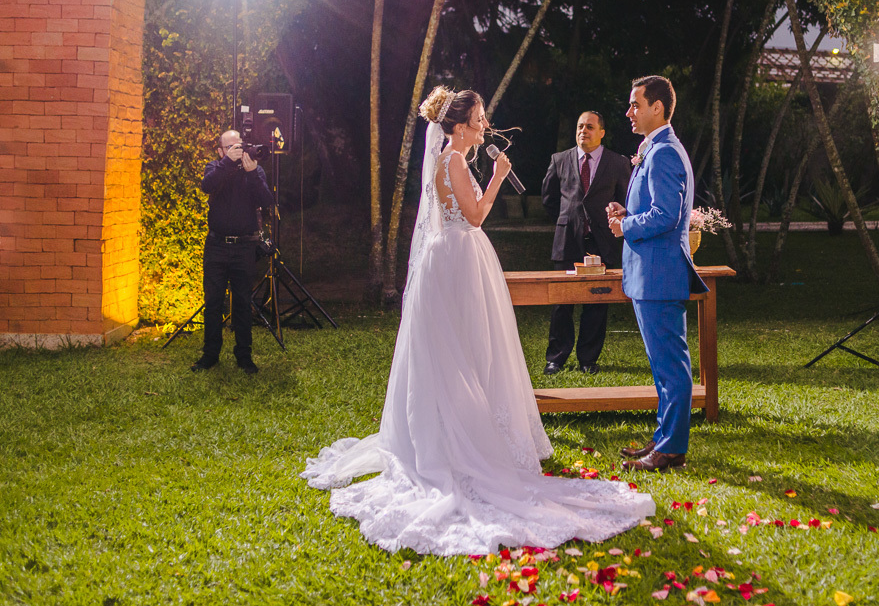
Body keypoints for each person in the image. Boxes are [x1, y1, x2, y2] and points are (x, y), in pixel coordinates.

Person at [301, 86, 654, 555]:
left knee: (461, 352)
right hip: (455, 264)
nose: (486, 125)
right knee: (460, 355)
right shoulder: (453, 161)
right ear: (461, 126)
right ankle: (460, 441)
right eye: (481, 118)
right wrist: (498, 176)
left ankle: (457, 431)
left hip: (451, 262)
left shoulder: (449, 159)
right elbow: (475, 217)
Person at [606, 76, 707, 472]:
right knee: (662, 365)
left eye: (635, 104)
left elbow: (666, 215)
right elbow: (657, 208)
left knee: (671, 366)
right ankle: (664, 439)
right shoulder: (658, 149)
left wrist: (626, 227)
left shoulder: (665, 153)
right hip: (651, 272)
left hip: (660, 273)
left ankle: (671, 450)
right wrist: (627, 213)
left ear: (658, 108)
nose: (629, 112)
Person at [540, 111, 632, 375]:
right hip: (567, 241)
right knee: (561, 303)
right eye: (580, 126)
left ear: (601, 132)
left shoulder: (617, 163)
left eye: (590, 127)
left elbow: (627, 201)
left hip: (602, 242)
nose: (584, 131)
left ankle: (588, 359)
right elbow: (549, 200)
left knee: (596, 303)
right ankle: (556, 359)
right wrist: (568, 221)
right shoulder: (559, 160)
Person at [192, 129, 275, 375]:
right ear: (221, 151)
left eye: (239, 145)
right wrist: (228, 163)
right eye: (231, 148)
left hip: (244, 247)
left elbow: (266, 200)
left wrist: (251, 174)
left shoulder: (255, 170)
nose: (238, 150)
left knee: (242, 303)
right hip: (216, 246)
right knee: (213, 302)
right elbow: (207, 186)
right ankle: (210, 355)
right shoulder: (214, 167)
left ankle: (244, 356)